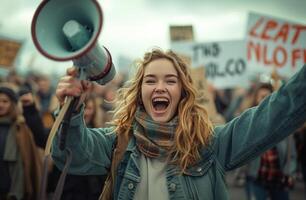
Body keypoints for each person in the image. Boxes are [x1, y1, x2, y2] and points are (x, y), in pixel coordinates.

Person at [51, 48, 306, 200]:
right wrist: (70, 109)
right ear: (139, 92)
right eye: (150, 81)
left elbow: (278, 111)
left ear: (183, 92)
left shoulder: (211, 145)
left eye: (170, 81)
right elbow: (70, 153)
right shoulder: (117, 142)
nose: (160, 87)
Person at [244, 83, 297, 200]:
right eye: (262, 97)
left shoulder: (283, 122)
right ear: (256, 99)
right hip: (256, 179)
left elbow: (291, 153)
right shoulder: (249, 123)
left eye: (268, 97)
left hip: (279, 179)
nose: (265, 100)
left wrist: (291, 173)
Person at [0, 83, 42, 200]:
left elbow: (40, 137)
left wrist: (30, 108)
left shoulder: (20, 128)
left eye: (5, 101)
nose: (1, 105)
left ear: (12, 104)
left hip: (12, 190)